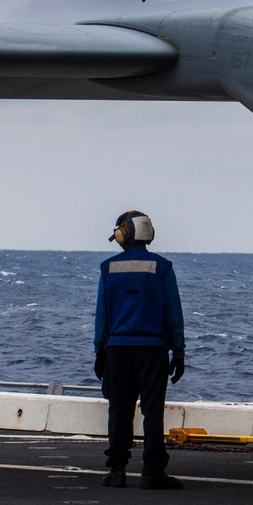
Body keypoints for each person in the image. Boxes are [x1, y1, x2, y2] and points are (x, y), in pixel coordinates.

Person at [94, 210, 185, 490]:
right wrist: (178, 352)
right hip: (153, 350)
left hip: (118, 349)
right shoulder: (162, 267)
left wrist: (100, 351)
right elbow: (174, 313)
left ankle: (117, 470)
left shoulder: (108, 268)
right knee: (152, 411)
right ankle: (153, 471)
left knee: (119, 410)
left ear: (124, 234)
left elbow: (102, 316)